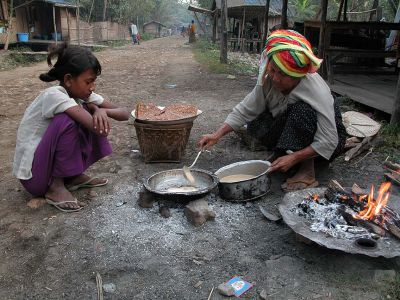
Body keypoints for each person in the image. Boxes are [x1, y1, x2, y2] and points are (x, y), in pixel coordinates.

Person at [198, 30, 346, 192]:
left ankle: (307, 171)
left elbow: (329, 140)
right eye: (273, 70)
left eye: (282, 74)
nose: (275, 78)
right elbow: (245, 110)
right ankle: (285, 156)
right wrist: (217, 135)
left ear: (297, 75)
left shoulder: (316, 91)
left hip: (328, 142)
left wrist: (294, 157)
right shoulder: (268, 80)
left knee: (302, 111)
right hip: (293, 128)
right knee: (255, 122)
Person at [13, 43, 130, 212]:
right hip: (34, 177)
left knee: (85, 111)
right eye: (88, 81)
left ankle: (72, 176)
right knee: (69, 119)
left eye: (94, 81)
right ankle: (55, 187)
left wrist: (99, 109)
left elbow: (125, 113)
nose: (92, 87)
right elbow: (97, 128)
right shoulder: (54, 95)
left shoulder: (81, 93)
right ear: (68, 80)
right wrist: (94, 111)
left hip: (45, 167)